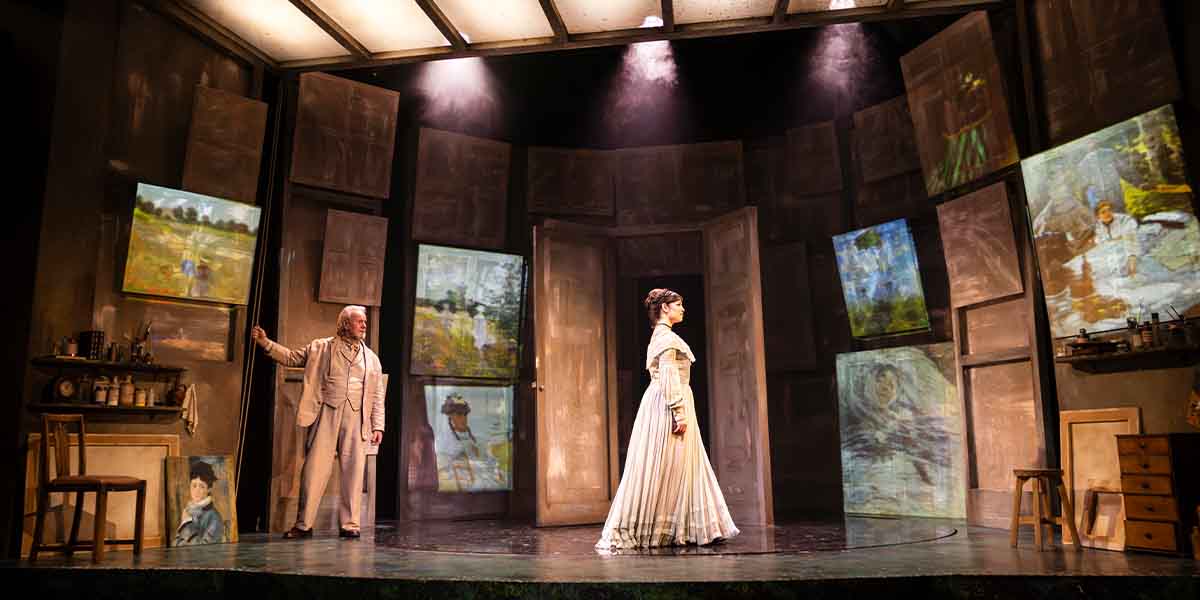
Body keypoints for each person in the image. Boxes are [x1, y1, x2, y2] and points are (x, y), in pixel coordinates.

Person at [596, 288, 739, 550]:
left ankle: (692, 527)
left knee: (685, 464)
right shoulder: (666, 338)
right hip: (667, 405)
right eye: (678, 304)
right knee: (668, 464)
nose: (682, 309)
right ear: (665, 308)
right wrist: (678, 411)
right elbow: (669, 376)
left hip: (670, 401)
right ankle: (655, 527)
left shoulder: (662, 336)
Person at [251, 305, 385, 539]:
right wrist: (265, 343)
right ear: (345, 324)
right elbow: (291, 357)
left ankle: (350, 525)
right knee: (314, 470)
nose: (364, 325)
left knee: (354, 473)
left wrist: (378, 425)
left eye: (365, 321)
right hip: (326, 412)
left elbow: (376, 396)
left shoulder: (371, 359)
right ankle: (304, 524)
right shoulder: (320, 347)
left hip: (356, 418)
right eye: (359, 321)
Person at [174, 459, 225, 546]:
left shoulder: (214, 517)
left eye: (201, 486)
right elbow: (176, 543)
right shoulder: (188, 511)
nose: (196, 490)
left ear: (208, 489)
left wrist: (187, 523)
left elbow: (202, 549)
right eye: (194, 485)